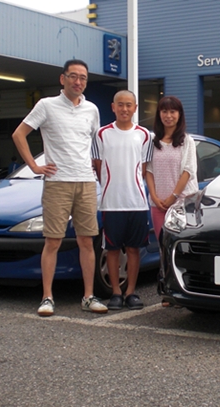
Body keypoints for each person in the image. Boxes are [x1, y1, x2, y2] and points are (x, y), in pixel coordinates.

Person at [11, 59, 107, 317]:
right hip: (57, 183)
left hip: (86, 182)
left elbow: (95, 146)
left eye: (83, 78)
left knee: (86, 241)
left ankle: (88, 296)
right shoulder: (47, 105)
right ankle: (47, 297)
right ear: (62, 78)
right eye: (73, 76)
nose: (78, 82)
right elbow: (19, 134)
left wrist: (99, 173)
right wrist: (33, 166)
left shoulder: (92, 109)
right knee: (52, 241)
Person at [92, 90, 153, 311]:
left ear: (135, 108)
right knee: (113, 249)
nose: (124, 109)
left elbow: (144, 169)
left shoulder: (145, 135)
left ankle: (131, 293)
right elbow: (98, 166)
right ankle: (116, 293)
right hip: (111, 202)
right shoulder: (102, 134)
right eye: (120, 105)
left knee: (135, 249)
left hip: (136, 201)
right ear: (113, 107)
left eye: (129, 105)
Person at [145, 96, 198, 307]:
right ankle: (167, 291)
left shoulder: (187, 140)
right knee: (163, 247)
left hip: (183, 203)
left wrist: (173, 197)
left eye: (173, 111)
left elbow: (188, 171)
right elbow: (147, 170)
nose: (168, 115)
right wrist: (155, 197)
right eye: (164, 111)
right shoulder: (152, 141)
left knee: (183, 246)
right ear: (159, 114)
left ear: (179, 115)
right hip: (158, 204)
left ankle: (190, 288)